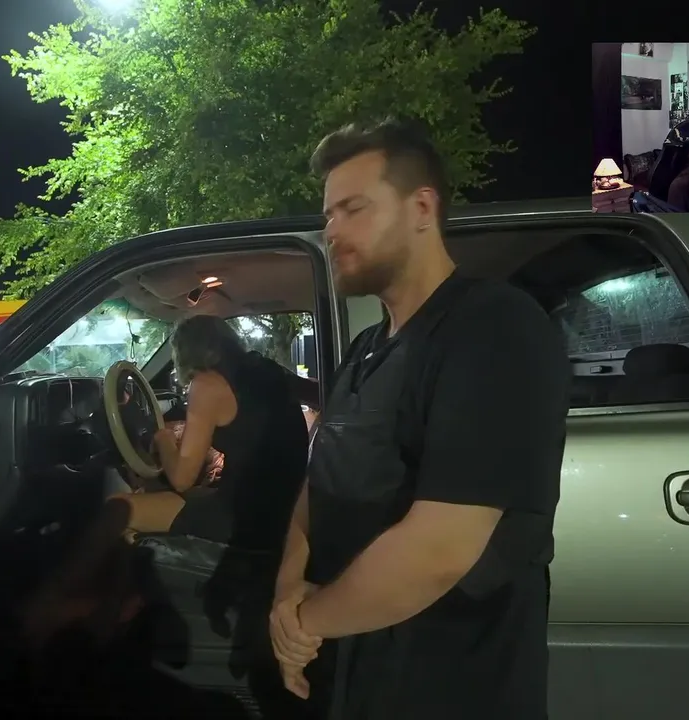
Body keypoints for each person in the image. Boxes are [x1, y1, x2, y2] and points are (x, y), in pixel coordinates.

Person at [268, 118, 569, 719]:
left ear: (423, 208)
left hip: (453, 683)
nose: (332, 231)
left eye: (353, 209)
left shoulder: (495, 327)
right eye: (328, 216)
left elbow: (439, 548)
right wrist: (287, 591)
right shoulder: (364, 351)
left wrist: (303, 623)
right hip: (359, 675)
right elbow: (317, 485)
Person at [23, 314, 309, 643]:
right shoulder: (268, 370)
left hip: (246, 519)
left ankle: (65, 606)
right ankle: (126, 604)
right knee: (154, 494)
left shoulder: (207, 384)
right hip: (283, 509)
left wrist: (162, 440)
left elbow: (182, 479)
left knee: (119, 509)